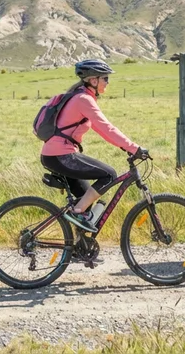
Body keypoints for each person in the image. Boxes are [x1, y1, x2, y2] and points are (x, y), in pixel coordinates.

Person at [41, 59, 150, 233]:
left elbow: (103, 131)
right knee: (109, 174)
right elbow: (106, 127)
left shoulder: (79, 96)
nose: (108, 82)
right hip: (60, 155)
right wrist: (134, 148)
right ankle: (76, 212)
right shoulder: (83, 99)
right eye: (105, 78)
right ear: (93, 80)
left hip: (55, 155)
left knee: (86, 202)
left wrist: (124, 146)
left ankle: (79, 247)